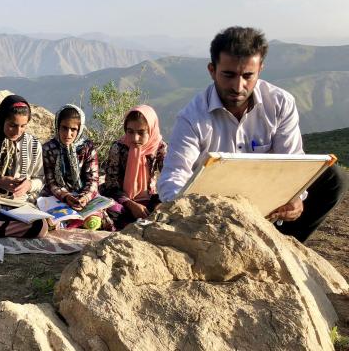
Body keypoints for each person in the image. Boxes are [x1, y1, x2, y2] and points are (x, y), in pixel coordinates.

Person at [158, 26, 348, 242]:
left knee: (334, 179)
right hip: (216, 217)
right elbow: (173, 176)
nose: (238, 86)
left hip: (268, 209)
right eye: (228, 75)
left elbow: (292, 159)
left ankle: (286, 247)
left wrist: (296, 197)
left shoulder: (280, 103)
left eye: (248, 76)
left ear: (260, 70)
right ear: (212, 70)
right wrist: (190, 210)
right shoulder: (192, 117)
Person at [0, 94, 48, 238]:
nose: (18, 131)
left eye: (23, 126)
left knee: (42, 227)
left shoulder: (34, 145)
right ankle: (2, 228)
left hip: (21, 203)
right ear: (1, 120)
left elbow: (40, 179)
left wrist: (29, 185)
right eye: (12, 125)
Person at [41, 104, 112, 230]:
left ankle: (82, 220)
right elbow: (51, 182)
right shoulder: (48, 148)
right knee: (49, 221)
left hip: (83, 194)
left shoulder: (87, 148)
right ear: (57, 126)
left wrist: (85, 197)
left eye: (73, 129)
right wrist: (66, 196)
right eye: (64, 128)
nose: (68, 134)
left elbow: (93, 179)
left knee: (93, 220)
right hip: (57, 195)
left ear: (79, 130)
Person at [100, 105, 167, 229]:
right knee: (112, 210)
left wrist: (159, 204)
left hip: (148, 197)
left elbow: (169, 176)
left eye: (141, 133)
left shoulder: (159, 148)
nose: (135, 138)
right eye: (130, 132)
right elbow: (111, 185)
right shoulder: (118, 148)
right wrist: (130, 204)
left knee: (162, 210)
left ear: (151, 131)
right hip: (121, 198)